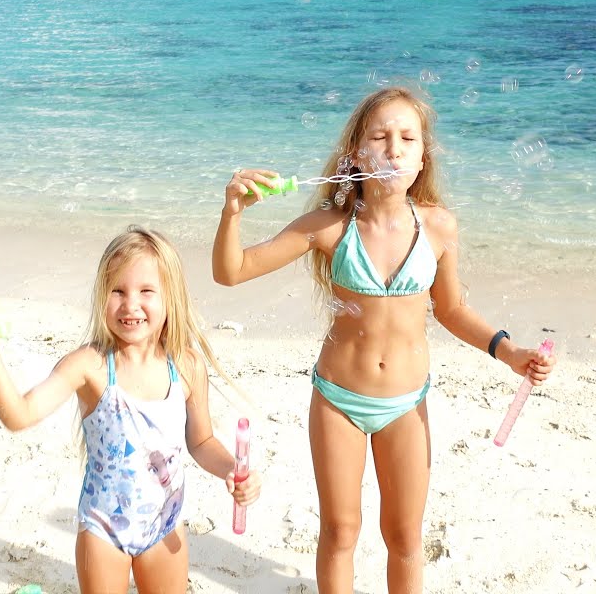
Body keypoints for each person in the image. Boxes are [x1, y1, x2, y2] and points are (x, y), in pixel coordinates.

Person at [212, 85, 555, 592]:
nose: (394, 147)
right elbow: (232, 272)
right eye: (380, 135)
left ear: (422, 157)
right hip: (338, 400)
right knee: (340, 531)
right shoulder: (329, 226)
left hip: (405, 404)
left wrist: (508, 351)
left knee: (404, 536)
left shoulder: (438, 227)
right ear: (356, 154)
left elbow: (453, 309)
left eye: (407, 137)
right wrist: (233, 212)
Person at [0, 226, 261, 594]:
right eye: (117, 290)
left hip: (163, 526)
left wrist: (233, 469)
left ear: (171, 298)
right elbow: (19, 415)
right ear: (102, 295)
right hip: (103, 531)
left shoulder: (186, 366)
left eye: (146, 291)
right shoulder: (89, 366)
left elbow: (201, 442)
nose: (130, 304)